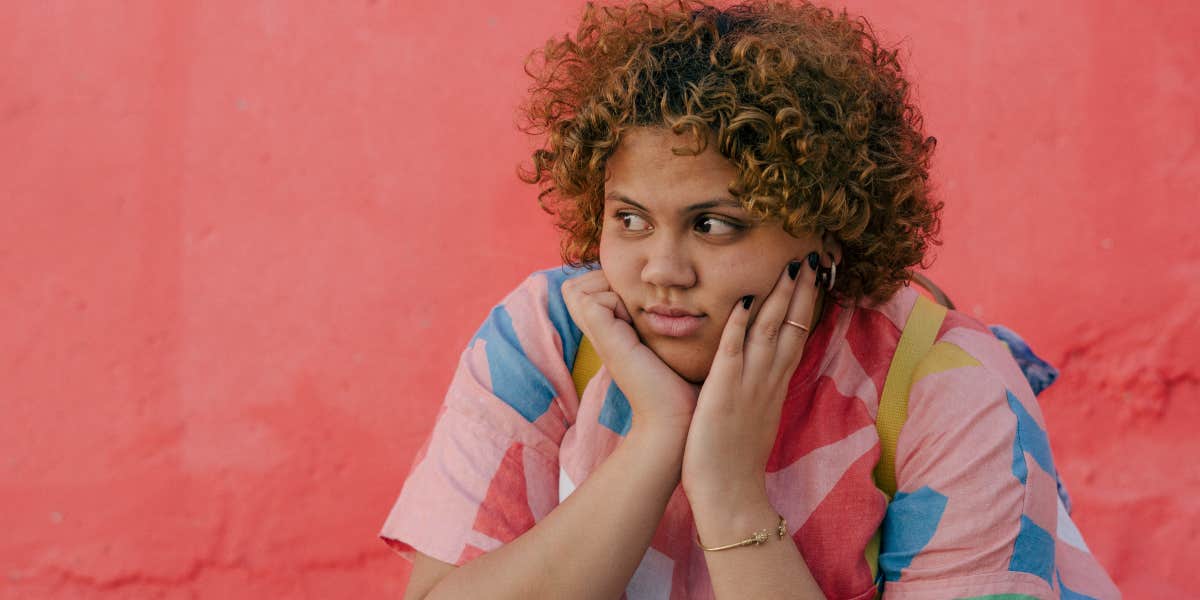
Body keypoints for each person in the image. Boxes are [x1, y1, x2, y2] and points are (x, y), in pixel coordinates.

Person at [380, 1, 1121, 598]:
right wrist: (655, 441)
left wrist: (730, 495)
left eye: (714, 226)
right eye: (629, 219)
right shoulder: (551, 335)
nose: (661, 270)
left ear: (827, 234)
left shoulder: (946, 389)